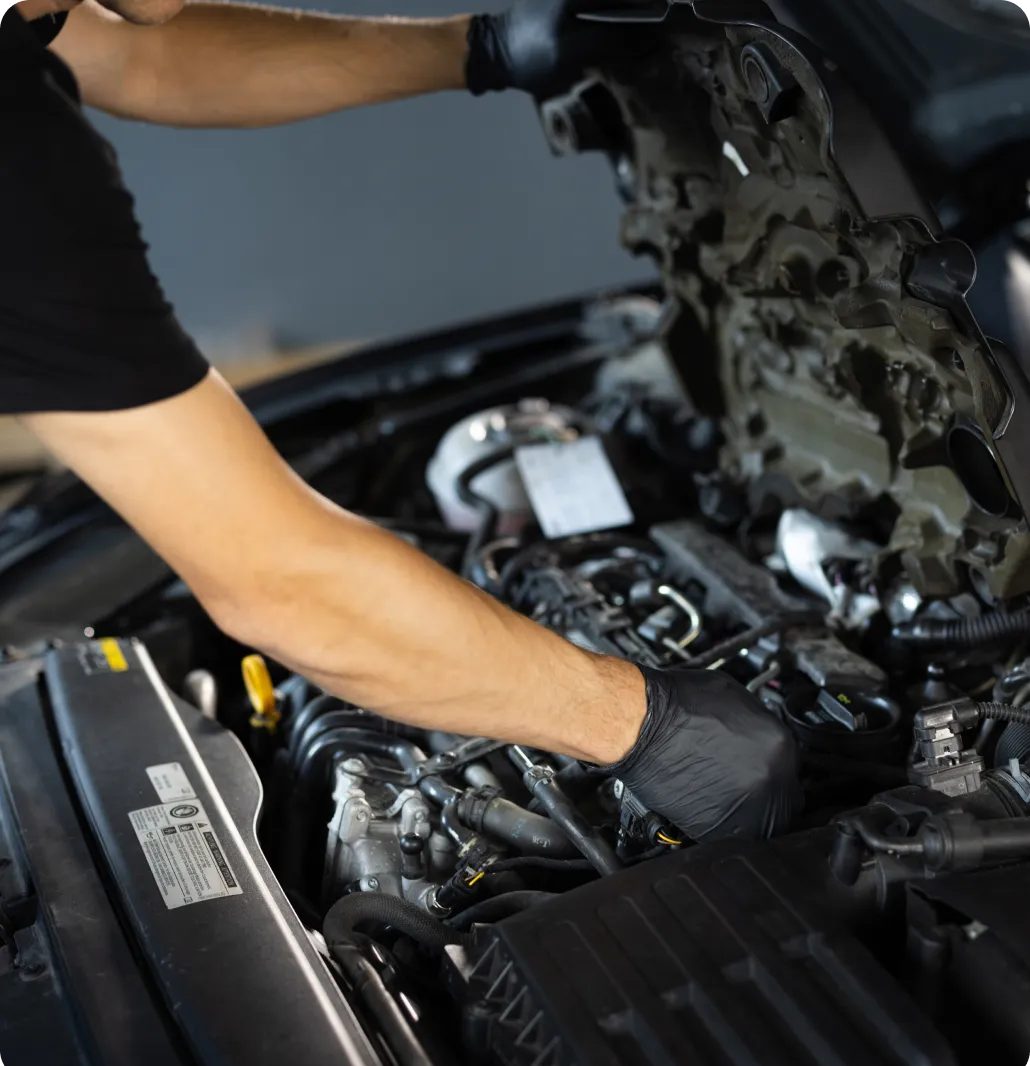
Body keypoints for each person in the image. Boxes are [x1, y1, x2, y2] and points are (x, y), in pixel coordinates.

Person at [0, 0, 801, 842]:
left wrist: (480, 47)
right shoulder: (19, 162)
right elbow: (282, 583)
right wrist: (642, 728)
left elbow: (139, 59)